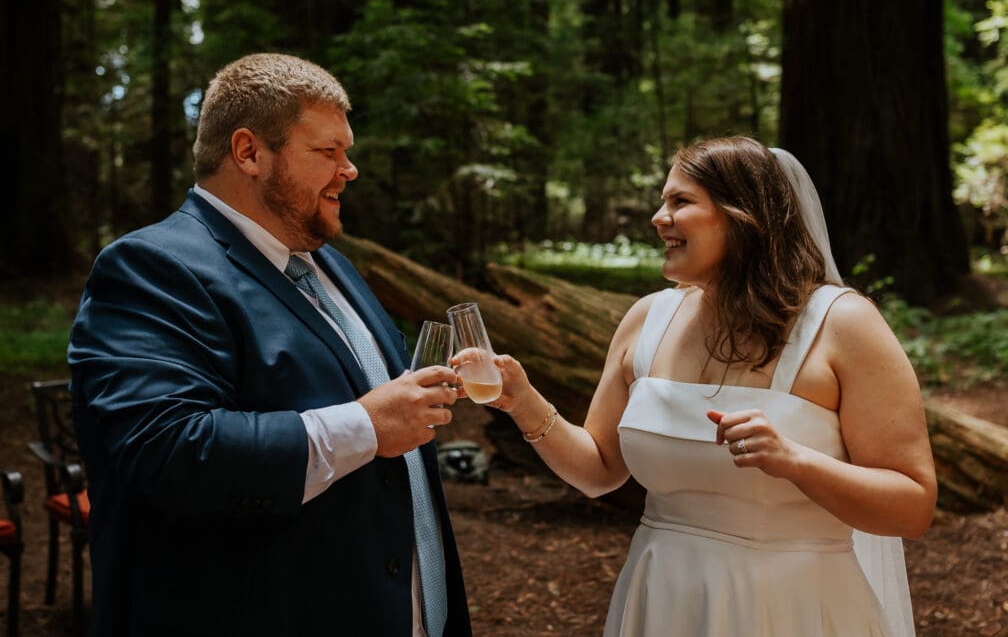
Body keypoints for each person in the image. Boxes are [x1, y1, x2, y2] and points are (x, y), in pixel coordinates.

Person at [68, 53, 472, 637]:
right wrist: (365, 425)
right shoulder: (150, 267)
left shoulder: (332, 266)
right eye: (328, 151)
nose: (349, 169)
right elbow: (168, 449)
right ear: (249, 152)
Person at [485, 136, 936, 636]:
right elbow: (599, 470)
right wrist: (523, 402)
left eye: (680, 201)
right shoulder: (646, 320)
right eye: (663, 201)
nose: (659, 218)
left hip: (794, 606)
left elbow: (912, 507)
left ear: (743, 216)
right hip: (662, 600)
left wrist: (795, 461)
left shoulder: (842, 323)